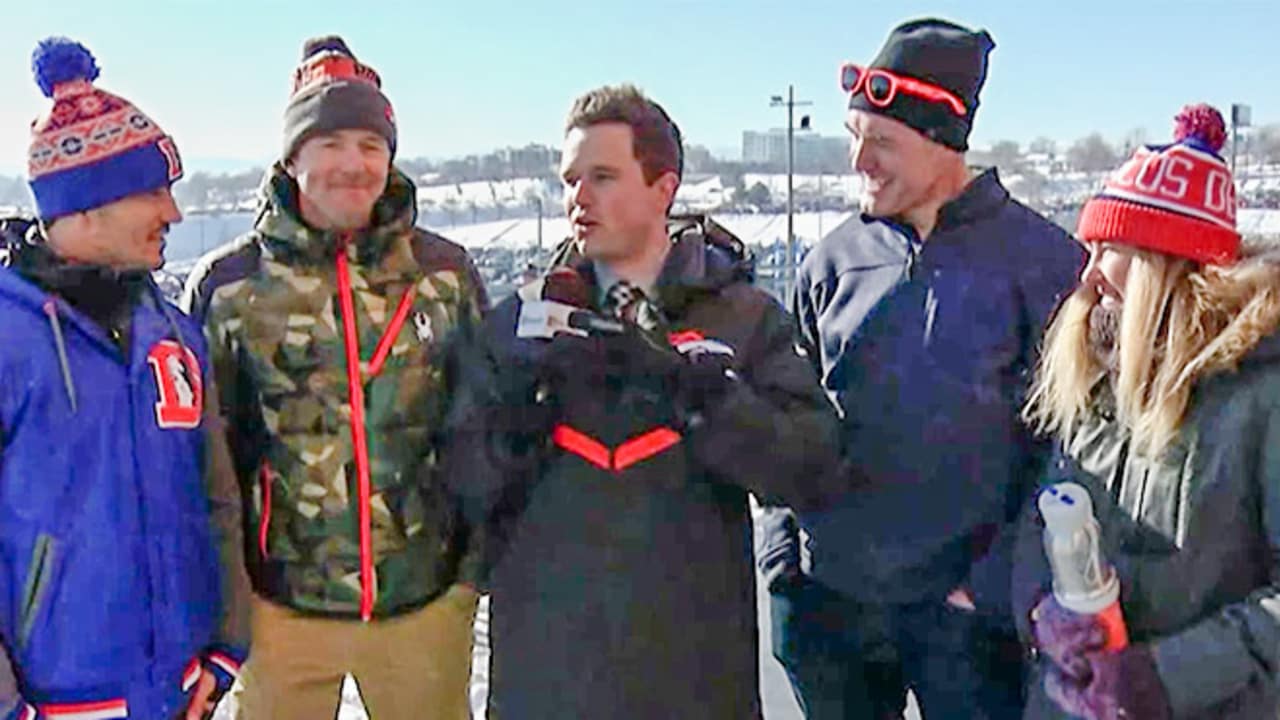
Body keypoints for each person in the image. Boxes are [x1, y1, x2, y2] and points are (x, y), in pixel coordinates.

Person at [445, 84, 843, 719]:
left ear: (664, 188)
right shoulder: (521, 323)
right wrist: (517, 425)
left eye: (603, 175)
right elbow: (461, 484)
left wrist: (702, 395)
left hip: (692, 678)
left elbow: (810, 467)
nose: (578, 196)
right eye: (571, 178)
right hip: (547, 680)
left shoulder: (741, 318)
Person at [755, 17, 1084, 719]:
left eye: (882, 143)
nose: (858, 162)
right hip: (832, 607)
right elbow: (788, 418)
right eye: (854, 138)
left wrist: (996, 585)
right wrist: (784, 568)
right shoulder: (831, 264)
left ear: (944, 141)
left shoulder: (1044, 264)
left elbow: (1075, 448)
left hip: (968, 626)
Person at [183, 35, 487, 720]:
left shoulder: (445, 275)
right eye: (330, 144)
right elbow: (208, 458)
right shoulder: (230, 287)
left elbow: (482, 423)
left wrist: (469, 574)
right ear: (293, 158)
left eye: (372, 146)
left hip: (423, 602)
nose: (354, 164)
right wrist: (226, 597)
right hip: (281, 609)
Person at [0, 37, 248, 720]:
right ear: (82, 208)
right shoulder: (8, 335)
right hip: (55, 706)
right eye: (153, 192)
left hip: (178, 694)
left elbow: (217, 498)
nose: (173, 213)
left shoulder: (174, 333)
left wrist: (226, 646)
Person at [1016, 104, 1280, 720]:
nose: (1088, 276)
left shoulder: (1262, 400)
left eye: (1108, 248)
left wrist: (1165, 677)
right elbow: (1039, 517)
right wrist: (1039, 610)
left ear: (1165, 265)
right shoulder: (1096, 377)